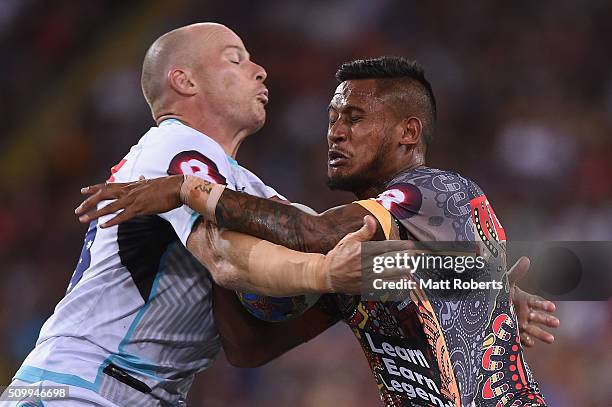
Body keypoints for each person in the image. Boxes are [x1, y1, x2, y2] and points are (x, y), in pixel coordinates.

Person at [76, 57, 557, 406]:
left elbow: (313, 232)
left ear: (408, 133)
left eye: (354, 117)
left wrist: (192, 192)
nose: (336, 132)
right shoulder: (355, 266)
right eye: (332, 118)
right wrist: (214, 251)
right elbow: (248, 348)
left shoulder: (436, 190)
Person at [1, 23, 399, 407]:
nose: (260, 70)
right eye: (236, 60)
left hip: (115, 388)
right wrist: (329, 274)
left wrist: (417, 270)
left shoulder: (241, 186)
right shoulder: (173, 144)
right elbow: (225, 258)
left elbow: (249, 341)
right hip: (78, 384)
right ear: (185, 81)